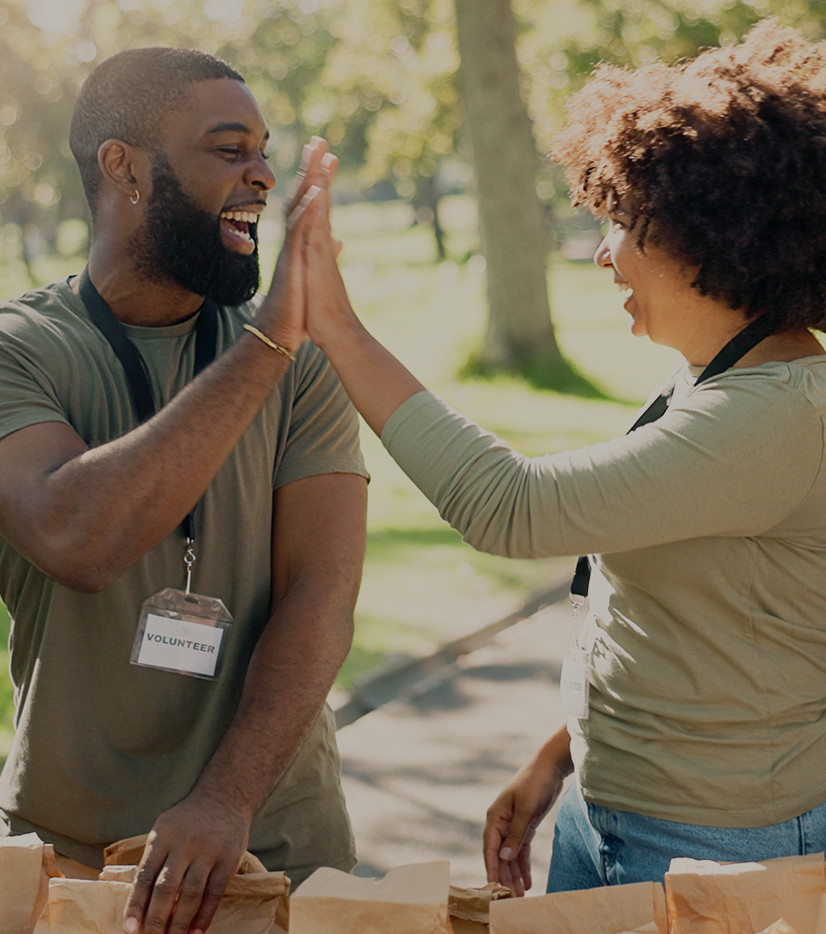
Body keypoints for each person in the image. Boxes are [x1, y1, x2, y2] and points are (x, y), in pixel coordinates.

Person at [293, 19, 826, 897]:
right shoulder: (720, 375)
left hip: (715, 852)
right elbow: (682, 623)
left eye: (622, 221)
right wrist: (561, 758)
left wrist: (339, 329)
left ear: (711, 236)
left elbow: (513, 507)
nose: (601, 250)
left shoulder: (778, 418)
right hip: (613, 813)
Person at [0, 49, 368, 934]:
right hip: (71, 857)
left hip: (274, 848)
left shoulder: (300, 365)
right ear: (123, 167)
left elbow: (322, 591)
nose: (263, 175)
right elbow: (76, 535)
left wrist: (224, 801)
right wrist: (268, 344)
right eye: (228, 148)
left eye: (265, 150)